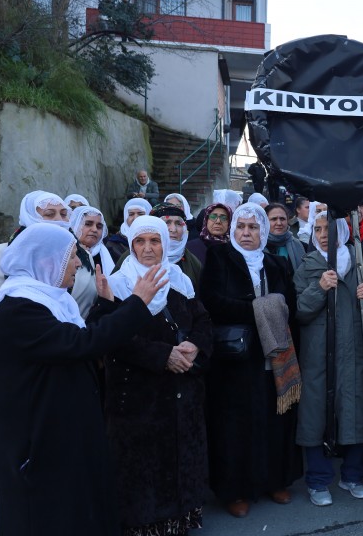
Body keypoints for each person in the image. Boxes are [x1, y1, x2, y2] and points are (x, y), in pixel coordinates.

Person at [0, 222, 167, 536]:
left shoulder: (51, 300)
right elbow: (80, 344)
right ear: (47, 261)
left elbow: (80, 340)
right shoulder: (17, 309)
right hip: (38, 441)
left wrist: (106, 303)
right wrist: (137, 304)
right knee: (47, 517)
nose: (76, 265)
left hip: (62, 431)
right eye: (72, 257)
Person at [0, 190, 74, 536]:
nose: (57, 218)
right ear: (28, 216)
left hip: (65, 371)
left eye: (61, 212)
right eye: (47, 213)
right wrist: (18, 348)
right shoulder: (2, 254)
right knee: (16, 467)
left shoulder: (73, 255)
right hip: (23, 377)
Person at [97, 215, 212, 535]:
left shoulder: (179, 279)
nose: (148, 248)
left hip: (182, 391)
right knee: (143, 467)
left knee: (180, 458)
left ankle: (180, 520)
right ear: (131, 245)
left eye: (155, 240)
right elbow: (115, 339)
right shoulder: (118, 284)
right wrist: (164, 356)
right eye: (140, 241)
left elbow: (202, 321)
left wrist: (193, 345)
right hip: (138, 396)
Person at [199, 203, 303, 518]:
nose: (247, 233)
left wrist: (269, 309)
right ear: (233, 230)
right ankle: (235, 490)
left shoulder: (275, 264)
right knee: (235, 425)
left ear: (263, 231)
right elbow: (212, 302)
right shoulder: (219, 258)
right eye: (241, 227)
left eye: (253, 227)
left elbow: (290, 306)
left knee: (275, 418)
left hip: (273, 357)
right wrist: (258, 308)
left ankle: (275, 480)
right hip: (235, 359)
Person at [294, 211, 363, 506]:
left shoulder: (361, 263)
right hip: (318, 355)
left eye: (329, 229)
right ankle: (318, 480)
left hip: (356, 352)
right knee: (315, 414)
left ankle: (353, 475)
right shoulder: (308, 265)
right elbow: (300, 311)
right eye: (317, 229)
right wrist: (318, 288)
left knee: (357, 408)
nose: (322, 235)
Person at [70, 205, 115, 318]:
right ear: (75, 225)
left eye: (99, 226)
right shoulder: (67, 254)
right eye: (88, 224)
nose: (94, 229)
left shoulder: (107, 253)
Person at [104, 198, 152, 262]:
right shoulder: (115, 244)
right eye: (131, 214)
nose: (135, 218)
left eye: (140, 214)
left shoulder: (158, 239)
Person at [265, 202, 307, 272]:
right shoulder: (258, 248)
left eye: (282, 219)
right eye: (274, 219)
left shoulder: (302, 247)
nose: (279, 223)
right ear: (265, 222)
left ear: (287, 221)